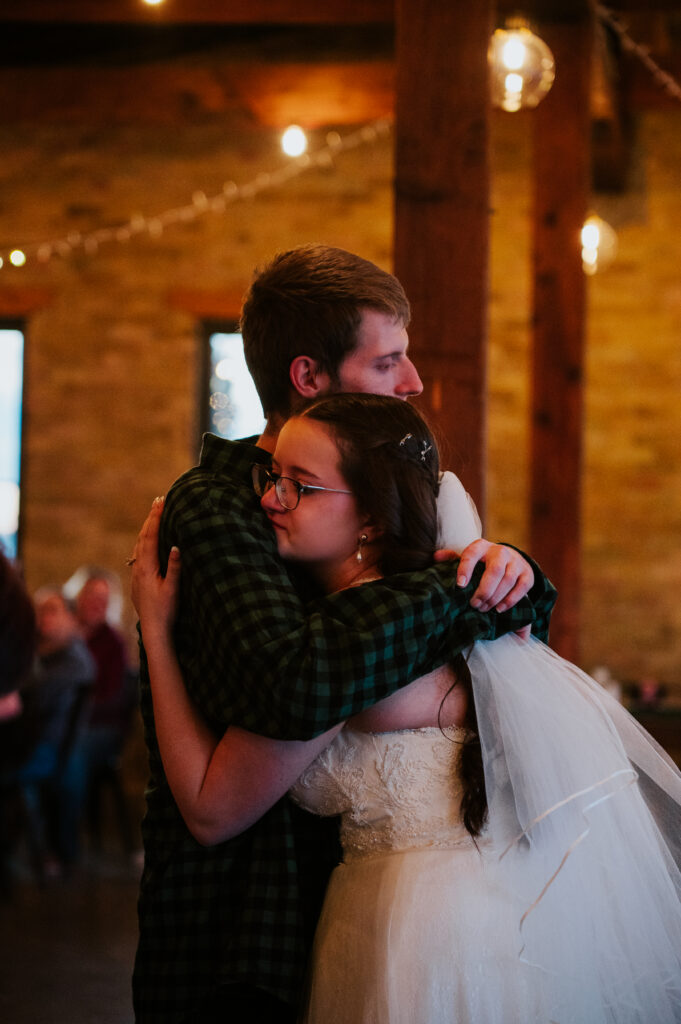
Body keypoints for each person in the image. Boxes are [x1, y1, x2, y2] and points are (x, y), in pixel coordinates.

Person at [133, 393, 681, 1023]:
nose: (269, 500)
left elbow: (210, 808)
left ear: (369, 518)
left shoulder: (357, 641)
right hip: (395, 911)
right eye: (272, 478)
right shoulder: (404, 611)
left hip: (431, 929)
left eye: (299, 487)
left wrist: (157, 629)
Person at [132, 244, 557, 1024]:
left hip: (390, 905)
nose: (413, 382)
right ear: (308, 378)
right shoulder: (223, 508)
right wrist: (457, 586)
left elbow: (520, 638)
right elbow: (295, 684)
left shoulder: (402, 504)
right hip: (239, 925)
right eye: (387, 360)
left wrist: (509, 573)